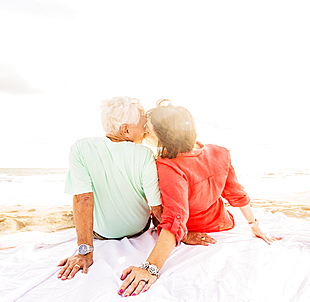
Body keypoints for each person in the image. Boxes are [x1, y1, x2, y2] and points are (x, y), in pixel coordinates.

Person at [118, 100, 281, 297]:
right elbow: (236, 193)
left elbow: (175, 219)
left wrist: (150, 268)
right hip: (222, 224)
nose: (144, 133)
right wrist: (253, 224)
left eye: (148, 130)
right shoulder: (220, 152)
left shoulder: (169, 166)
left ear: (163, 136)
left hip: (192, 229)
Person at [57, 96, 162, 281]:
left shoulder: (80, 148)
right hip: (138, 229)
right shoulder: (145, 155)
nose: (146, 129)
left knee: (80, 200)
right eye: (143, 124)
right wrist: (179, 233)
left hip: (102, 235)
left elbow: (83, 199)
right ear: (126, 130)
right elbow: (155, 207)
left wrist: (84, 253)